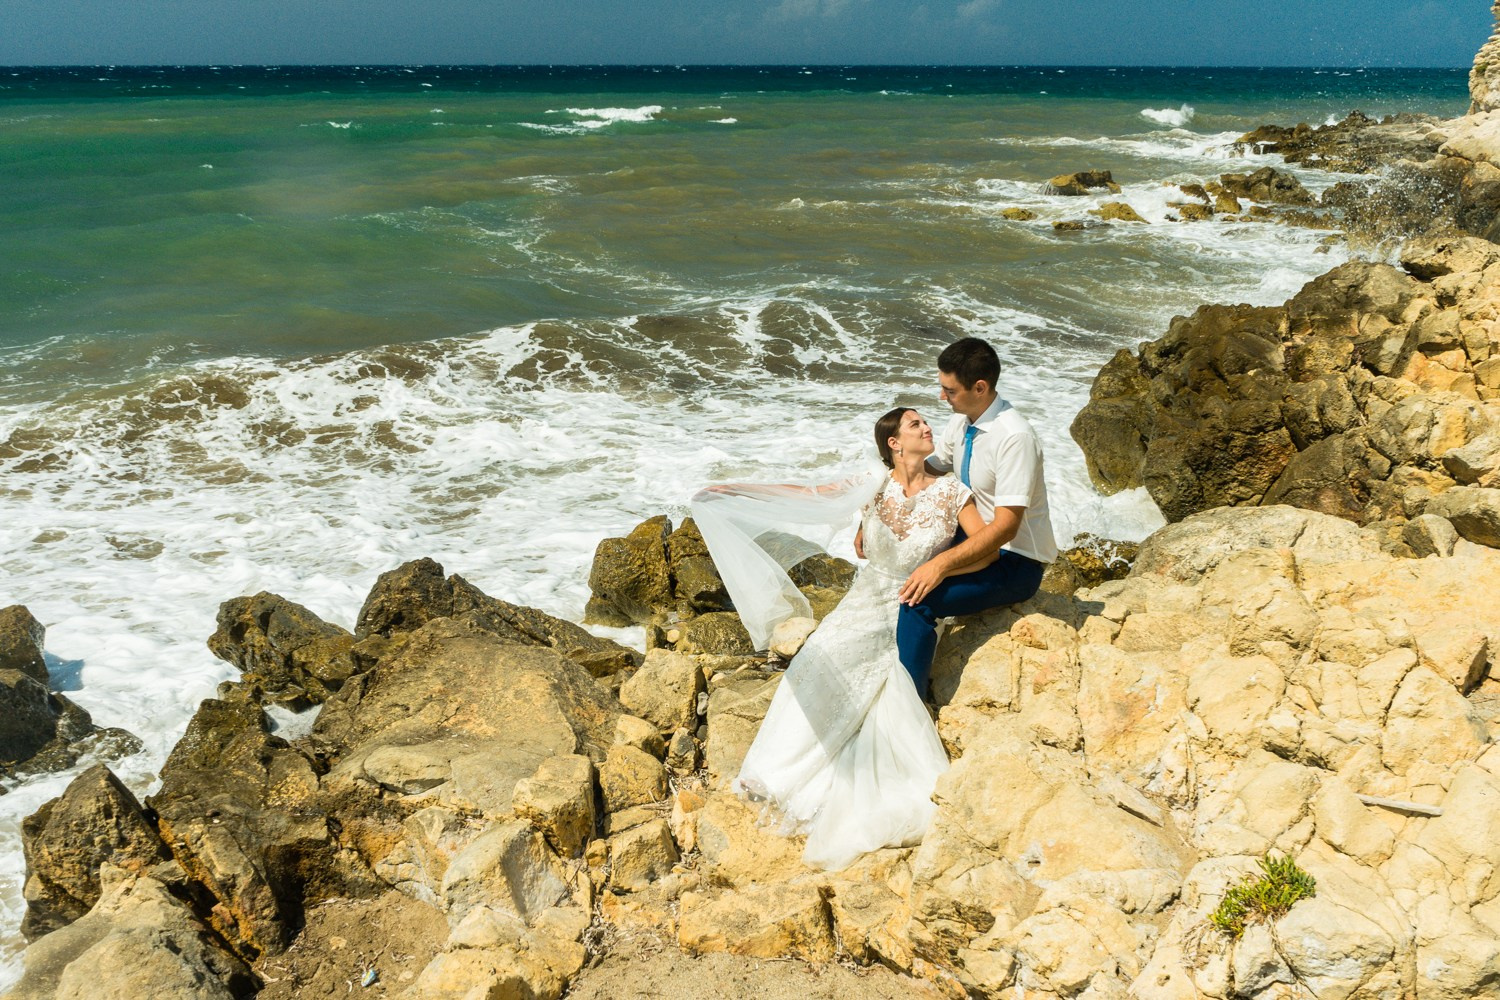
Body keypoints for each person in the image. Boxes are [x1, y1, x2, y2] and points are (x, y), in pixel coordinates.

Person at [690, 407, 994, 870]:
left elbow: (986, 550)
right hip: (864, 597)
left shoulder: (952, 491)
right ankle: (775, 774)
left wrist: (939, 570)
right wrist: (735, 489)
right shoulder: (874, 483)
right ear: (894, 443)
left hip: (911, 602)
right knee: (815, 657)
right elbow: (810, 495)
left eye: (925, 422)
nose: (927, 427)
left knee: (874, 688)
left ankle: (832, 781)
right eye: (915, 424)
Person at [894, 337, 1057, 698]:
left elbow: (1006, 527)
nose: (942, 397)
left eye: (950, 390)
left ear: (980, 388)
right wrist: (875, 502)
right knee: (898, 568)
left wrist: (940, 565)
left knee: (917, 601)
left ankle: (911, 705)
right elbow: (930, 469)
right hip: (973, 538)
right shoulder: (962, 421)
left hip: (1016, 561)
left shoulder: (1014, 438)